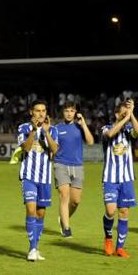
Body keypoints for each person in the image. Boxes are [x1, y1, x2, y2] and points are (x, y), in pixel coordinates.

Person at [17, 100, 59, 261]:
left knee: (41, 214)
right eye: (37, 110)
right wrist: (34, 131)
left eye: (43, 110)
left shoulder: (53, 130)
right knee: (31, 210)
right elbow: (26, 148)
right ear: (31, 112)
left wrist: (46, 132)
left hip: (45, 178)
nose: (41, 113)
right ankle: (32, 249)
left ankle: (35, 246)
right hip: (28, 177)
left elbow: (55, 150)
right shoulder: (23, 128)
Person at [101, 99, 138, 258]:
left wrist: (131, 116)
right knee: (110, 211)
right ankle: (108, 238)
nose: (126, 116)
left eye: (127, 113)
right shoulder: (106, 128)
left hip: (126, 178)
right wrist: (126, 117)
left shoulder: (129, 130)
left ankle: (120, 248)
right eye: (123, 113)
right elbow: (111, 134)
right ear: (116, 114)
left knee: (124, 212)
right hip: (110, 178)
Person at [54, 102, 94, 238]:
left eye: (71, 111)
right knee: (64, 196)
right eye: (66, 111)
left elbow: (90, 142)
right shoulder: (57, 128)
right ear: (63, 112)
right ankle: (66, 228)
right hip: (61, 165)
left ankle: (63, 218)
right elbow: (52, 147)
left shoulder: (79, 127)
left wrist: (84, 124)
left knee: (75, 201)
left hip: (77, 166)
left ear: (75, 112)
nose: (69, 113)